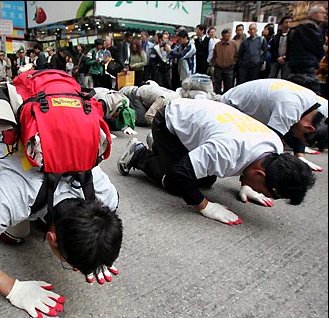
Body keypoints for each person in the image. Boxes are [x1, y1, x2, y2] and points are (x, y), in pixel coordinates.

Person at [0, 121, 123, 318]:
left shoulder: (103, 193)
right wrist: (14, 290)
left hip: (46, 157)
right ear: (51, 237)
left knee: (30, 215)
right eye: (69, 265)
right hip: (1, 155)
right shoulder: (14, 195)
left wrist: (97, 254)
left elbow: (103, 220)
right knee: (16, 235)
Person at [118, 98, 315, 225]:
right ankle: (139, 154)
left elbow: (255, 161)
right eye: (263, 190)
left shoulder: (275, 147)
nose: (262, 194)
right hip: (169, 121)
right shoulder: (226, 151)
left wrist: (246, 185)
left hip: (199, 120)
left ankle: (163, 151)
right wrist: (205, 206)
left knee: (205, 179)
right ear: (259, 174)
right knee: (179, 183)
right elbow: (180, 174)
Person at [220, 78, 328, 171]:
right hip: (231, 105)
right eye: (299, 137)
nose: (295, 137)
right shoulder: (289, 110)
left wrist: (300, 156)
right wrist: (248, 183)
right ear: (309, 127)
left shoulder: (311, 102)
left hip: (250, 105)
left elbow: (297, 129)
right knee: (233, 153)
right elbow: (267, 147)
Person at [286, 4, 327, 95]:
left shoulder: (304, 27)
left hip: (301, 64)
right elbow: (317, 46)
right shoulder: (309, 27)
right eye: (322, 13)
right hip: (306, 65)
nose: (325, 15)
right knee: (312, 93)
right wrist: (322, 53)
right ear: (313, 14)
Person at [210, 28, 238, 95]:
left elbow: (237, 55)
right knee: (217, 84)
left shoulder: (234, 44)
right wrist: (214, 64)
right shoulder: (217, 45)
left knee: (228, 84)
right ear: (222, 35)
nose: (228, 35)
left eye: (229, 33)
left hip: (229, 68)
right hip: (218, 67)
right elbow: (214, 55)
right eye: (226, 34)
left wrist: (233, 62)